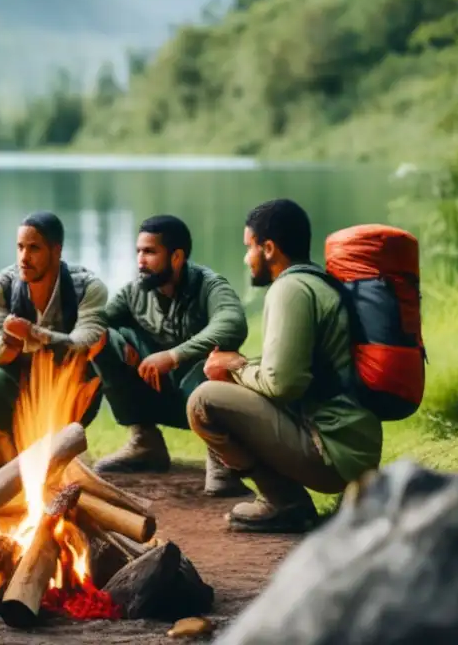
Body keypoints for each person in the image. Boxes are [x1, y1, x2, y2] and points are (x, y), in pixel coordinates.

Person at [187, 199, 383, 533]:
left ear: (269, 248)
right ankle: (287, 501)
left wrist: (235, 365)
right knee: (226, 388)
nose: (246, 258)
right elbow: (297, 374)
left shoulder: (289, 289)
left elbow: (284, 384)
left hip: (331, 453)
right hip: (353, 446)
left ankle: (283, 501)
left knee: (203, 400)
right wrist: (239, 370)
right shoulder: (315, 281)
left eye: (248, 247)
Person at [90, 215, 251, 496]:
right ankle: (145, 443)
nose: (140, 260)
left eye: (150, 252)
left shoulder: (210, 285)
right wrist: (116, 340)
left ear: (177, 257)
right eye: (138, 252)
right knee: (102, 341)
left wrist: (174, 356)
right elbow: (95, 324)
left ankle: (222, 462)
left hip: (199, 396)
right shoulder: (134, 291)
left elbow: (233, 324)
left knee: (219, 362)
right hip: (153, 391)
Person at [0, 211, 108, 467]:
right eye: (20, 247)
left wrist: (34, 334)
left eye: (34, 248)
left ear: (56, 251)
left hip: (65, 383)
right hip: (19, 382)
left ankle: (64, 445)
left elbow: (87, 341)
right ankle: (7, 444)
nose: (24, 257)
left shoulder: (89, 287)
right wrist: (11, 342)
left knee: (96, 368)